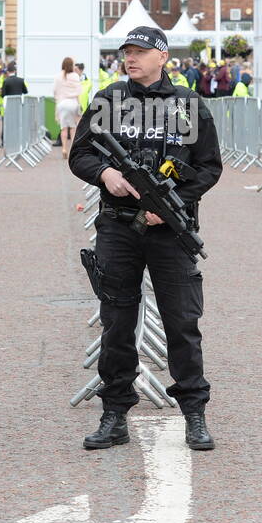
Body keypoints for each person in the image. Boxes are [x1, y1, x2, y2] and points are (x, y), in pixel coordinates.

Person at [69, 26, 223, 451]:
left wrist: (171, 202)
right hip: (118, 227)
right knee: (117, 320)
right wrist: (105, 174)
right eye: (127, 52)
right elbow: (79, 154)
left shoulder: (189, 105)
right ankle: (114, 412)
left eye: (140, 52)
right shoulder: (109, 100)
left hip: (170, 228)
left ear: (162, 57)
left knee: (182, 322)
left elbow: (209, 167)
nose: (131, 58)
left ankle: (194, 412)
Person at [52, 57, 82, 158]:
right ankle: (73, 149)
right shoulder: (75, 76)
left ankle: (64, 148)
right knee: (73, 128)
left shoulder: (57, 76)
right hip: (73, 103)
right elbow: (78, 92)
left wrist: (56, 110)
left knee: (63, 128)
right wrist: (79, 106)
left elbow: (55, 92)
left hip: (62, 103)